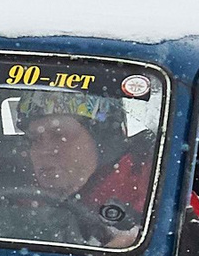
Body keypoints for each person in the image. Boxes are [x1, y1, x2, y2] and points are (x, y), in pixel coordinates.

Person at [17, 90, 154, 247]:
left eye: (59, 136)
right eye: (35, 140)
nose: (44, 150)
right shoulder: (19, 203)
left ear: (102, 142)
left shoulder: (151, 192)